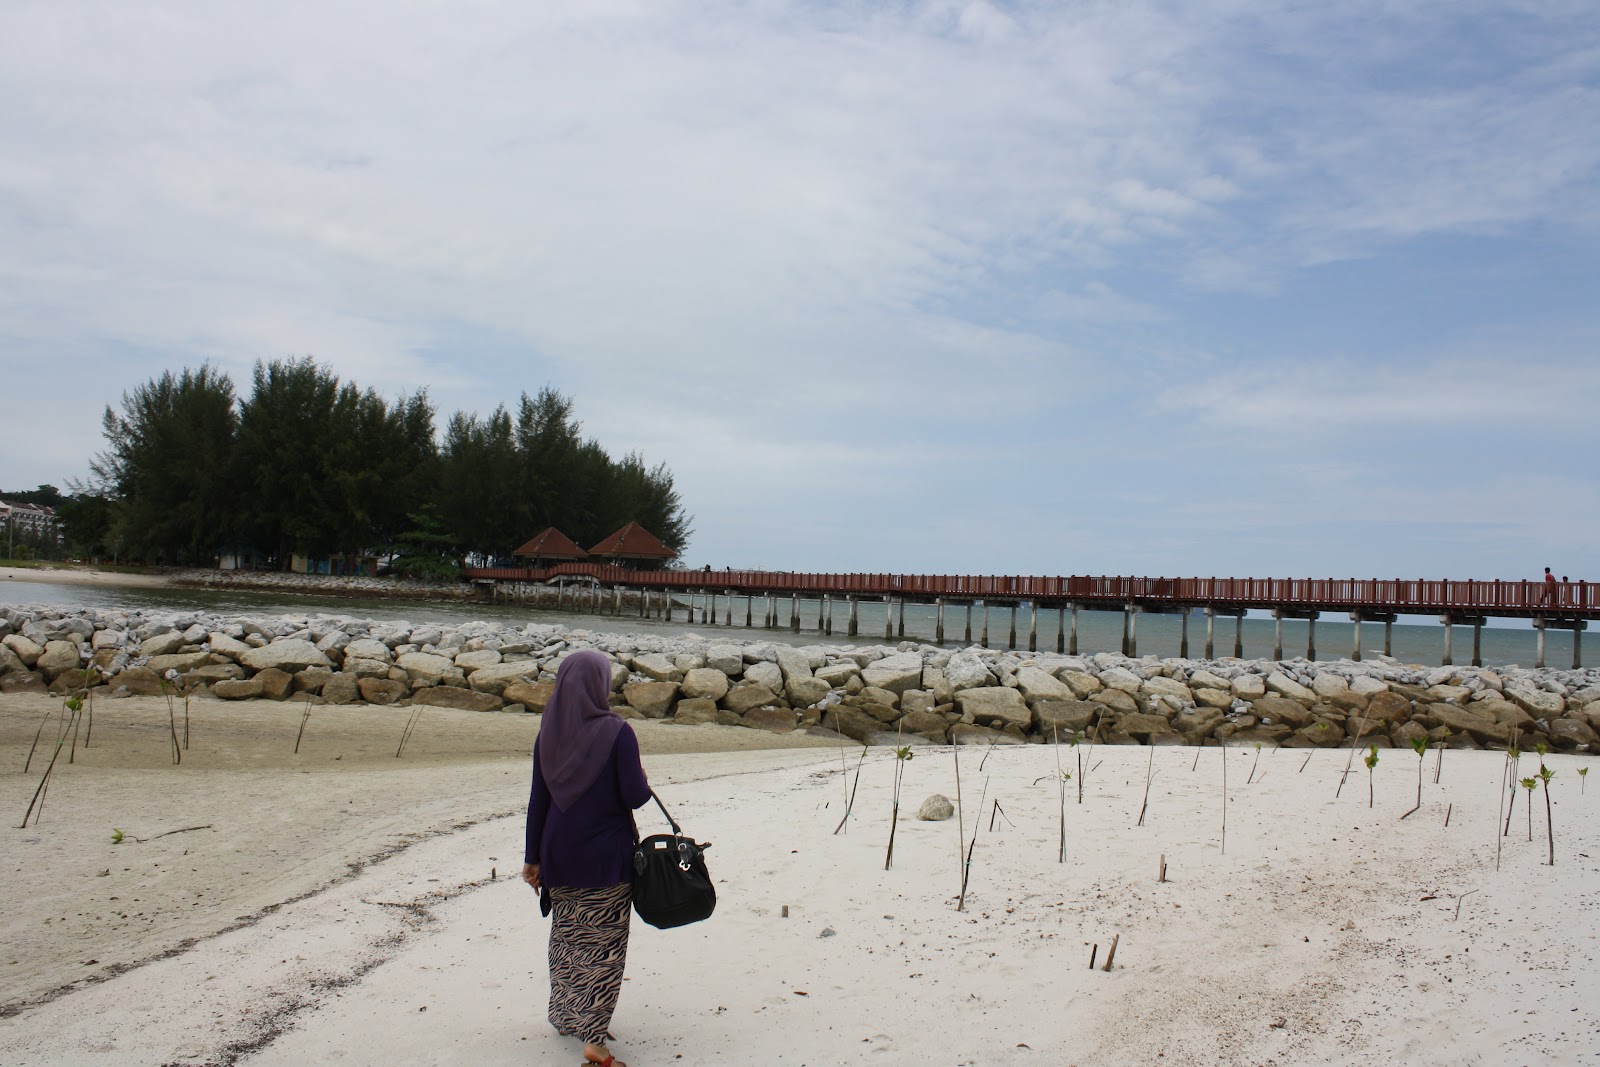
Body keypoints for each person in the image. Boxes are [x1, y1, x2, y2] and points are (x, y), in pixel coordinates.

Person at [524, 650, 651, 1067]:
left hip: (557, 854)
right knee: (602, 948)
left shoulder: (548, 733)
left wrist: (532, 858)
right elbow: (635, 795)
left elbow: (538, 802)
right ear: (601, 684)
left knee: (567, 939)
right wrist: (641, 779)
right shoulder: (618, 732)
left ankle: (566, 1016)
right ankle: (594, 1042)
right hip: (605, 858)